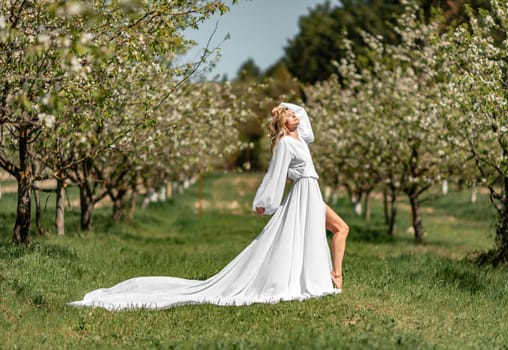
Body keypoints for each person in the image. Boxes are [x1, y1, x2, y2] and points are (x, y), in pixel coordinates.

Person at [69, 102, 348, 311]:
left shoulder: (302, 139)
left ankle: (329, 278)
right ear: (282, 124)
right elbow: (275, 175)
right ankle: (328, 279)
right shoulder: (286, 144)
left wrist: (288, 109)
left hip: (312, 191)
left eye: (295, 113)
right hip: (302, 192)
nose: (295, 116)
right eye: (289, 115)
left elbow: (305, 122)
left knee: (329, 232)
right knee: (308, 235)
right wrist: (265, 202)